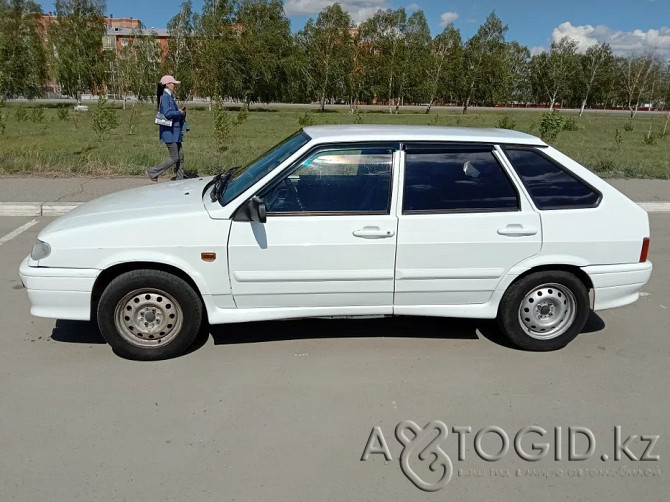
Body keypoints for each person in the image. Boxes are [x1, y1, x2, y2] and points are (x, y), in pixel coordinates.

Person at [146, 75, 187, 182]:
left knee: (181, 156)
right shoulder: (165, 97)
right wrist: (179, 112)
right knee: (175, 157)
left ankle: (180, 178)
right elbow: (167, 114)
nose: (174, 85)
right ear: (167, 84)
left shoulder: (169, 96)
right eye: (172, 83)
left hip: (175, 132)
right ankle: (153, 171)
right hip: (170, 133)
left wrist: (179, 111)